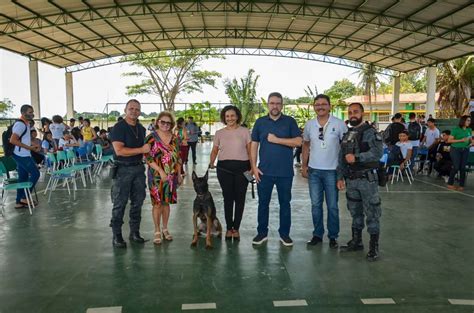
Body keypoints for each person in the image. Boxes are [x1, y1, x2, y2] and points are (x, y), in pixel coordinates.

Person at [250, 92, 302, 247]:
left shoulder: (289, 121)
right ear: (268, 104)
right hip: (264, 172)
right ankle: (262, 233)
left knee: (285, 204)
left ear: (282, 105)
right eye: (272, 103)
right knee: (263, 204)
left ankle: (284, 234)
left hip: (285, 173)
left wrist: (276, 140)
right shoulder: (260, 122)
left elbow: (298, 142)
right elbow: (254, 145)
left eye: (278, 103)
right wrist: (253, 167)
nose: (275, 106)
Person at [336, 103, 383, 262]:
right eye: (350, 112)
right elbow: (342, 157)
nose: (352, 115)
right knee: (355, 211)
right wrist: (340, 177)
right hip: (351, 180)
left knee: (372, 213)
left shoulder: (371, 132)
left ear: (362, 113)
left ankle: (373, 247)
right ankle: (356, 241)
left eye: (355, 112)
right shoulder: (348, 134)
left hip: (367, 180)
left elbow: (377, 153)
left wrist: (357, 158)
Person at [301, 94, 347, 248]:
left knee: (332, 206)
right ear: (314, 106)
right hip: (314, 172)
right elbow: (306, 145)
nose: (320, 106)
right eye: (317, 104)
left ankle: (333, 236)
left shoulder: (339, 124)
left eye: (324, 104)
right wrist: (304, 165)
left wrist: (342, 172)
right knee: (316, 205)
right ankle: (317, 235)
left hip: (332, 172)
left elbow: (346, 148)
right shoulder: (309, 125)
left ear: (329, 106)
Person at [109, 99, 150, 248]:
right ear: (125, 110)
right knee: (119, 203)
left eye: (137, 109)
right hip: (123, 169)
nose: (134, 111)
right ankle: (117, 236)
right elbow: (119, 151)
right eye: (131, 108)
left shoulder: (141, 128)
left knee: (138, 202)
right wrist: (142, 150)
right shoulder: (119, 128)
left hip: (138, 169)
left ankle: (134, 233)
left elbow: (146, 150)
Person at [209, 105, 251, 241]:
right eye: (227, 116)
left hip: (243, 168)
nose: (230, 118)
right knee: (228, 198)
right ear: (224, 118)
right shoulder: (219, 133)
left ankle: (236, 228)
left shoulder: (245, 131)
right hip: (224, 169)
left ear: (237, 116)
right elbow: (215, 150)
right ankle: (228, 228)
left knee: (240, 199)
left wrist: (253, 168)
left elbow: (250, 150)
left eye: (232, 116)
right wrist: (211, 162)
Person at [144, 112, 183, 245]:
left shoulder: (176, 139)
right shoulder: (151, 138)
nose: (165, 125)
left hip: (171, 176)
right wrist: (160, 171)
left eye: (168, 123)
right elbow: (148, 158)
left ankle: (165, 228)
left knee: (166, 203)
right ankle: (157, 230)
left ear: (172, 125)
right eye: (163, 122)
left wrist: (179, 174)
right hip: (155, 176)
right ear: (158, 122)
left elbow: (178, 157)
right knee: (157, 203)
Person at [9, 105, 41, 209]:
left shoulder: (26, 124)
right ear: (23, 113)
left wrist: (33, 145)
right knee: (36, 173)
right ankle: (24, 197)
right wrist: (29, 148)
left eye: (32, 112)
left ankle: (19, 202)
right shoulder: (20, 124)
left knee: (22, 177)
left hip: (24, 153)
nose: (32, 114)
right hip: (21, 154)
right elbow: (13, 140)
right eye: (30, 112)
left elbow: (24, 138)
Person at [447, 115, 473, 191]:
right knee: (456, 167)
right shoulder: (455, 129)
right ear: (463, 121)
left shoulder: (469, 130)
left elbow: (470, 139)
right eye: (468, 120)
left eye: (469, 120)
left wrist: (471, 143)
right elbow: (449, 141)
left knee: (463, 168)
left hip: (465, 150)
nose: (469, 122)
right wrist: (461, 140)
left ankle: (461, 185)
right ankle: (450, 183)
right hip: (455, 150)